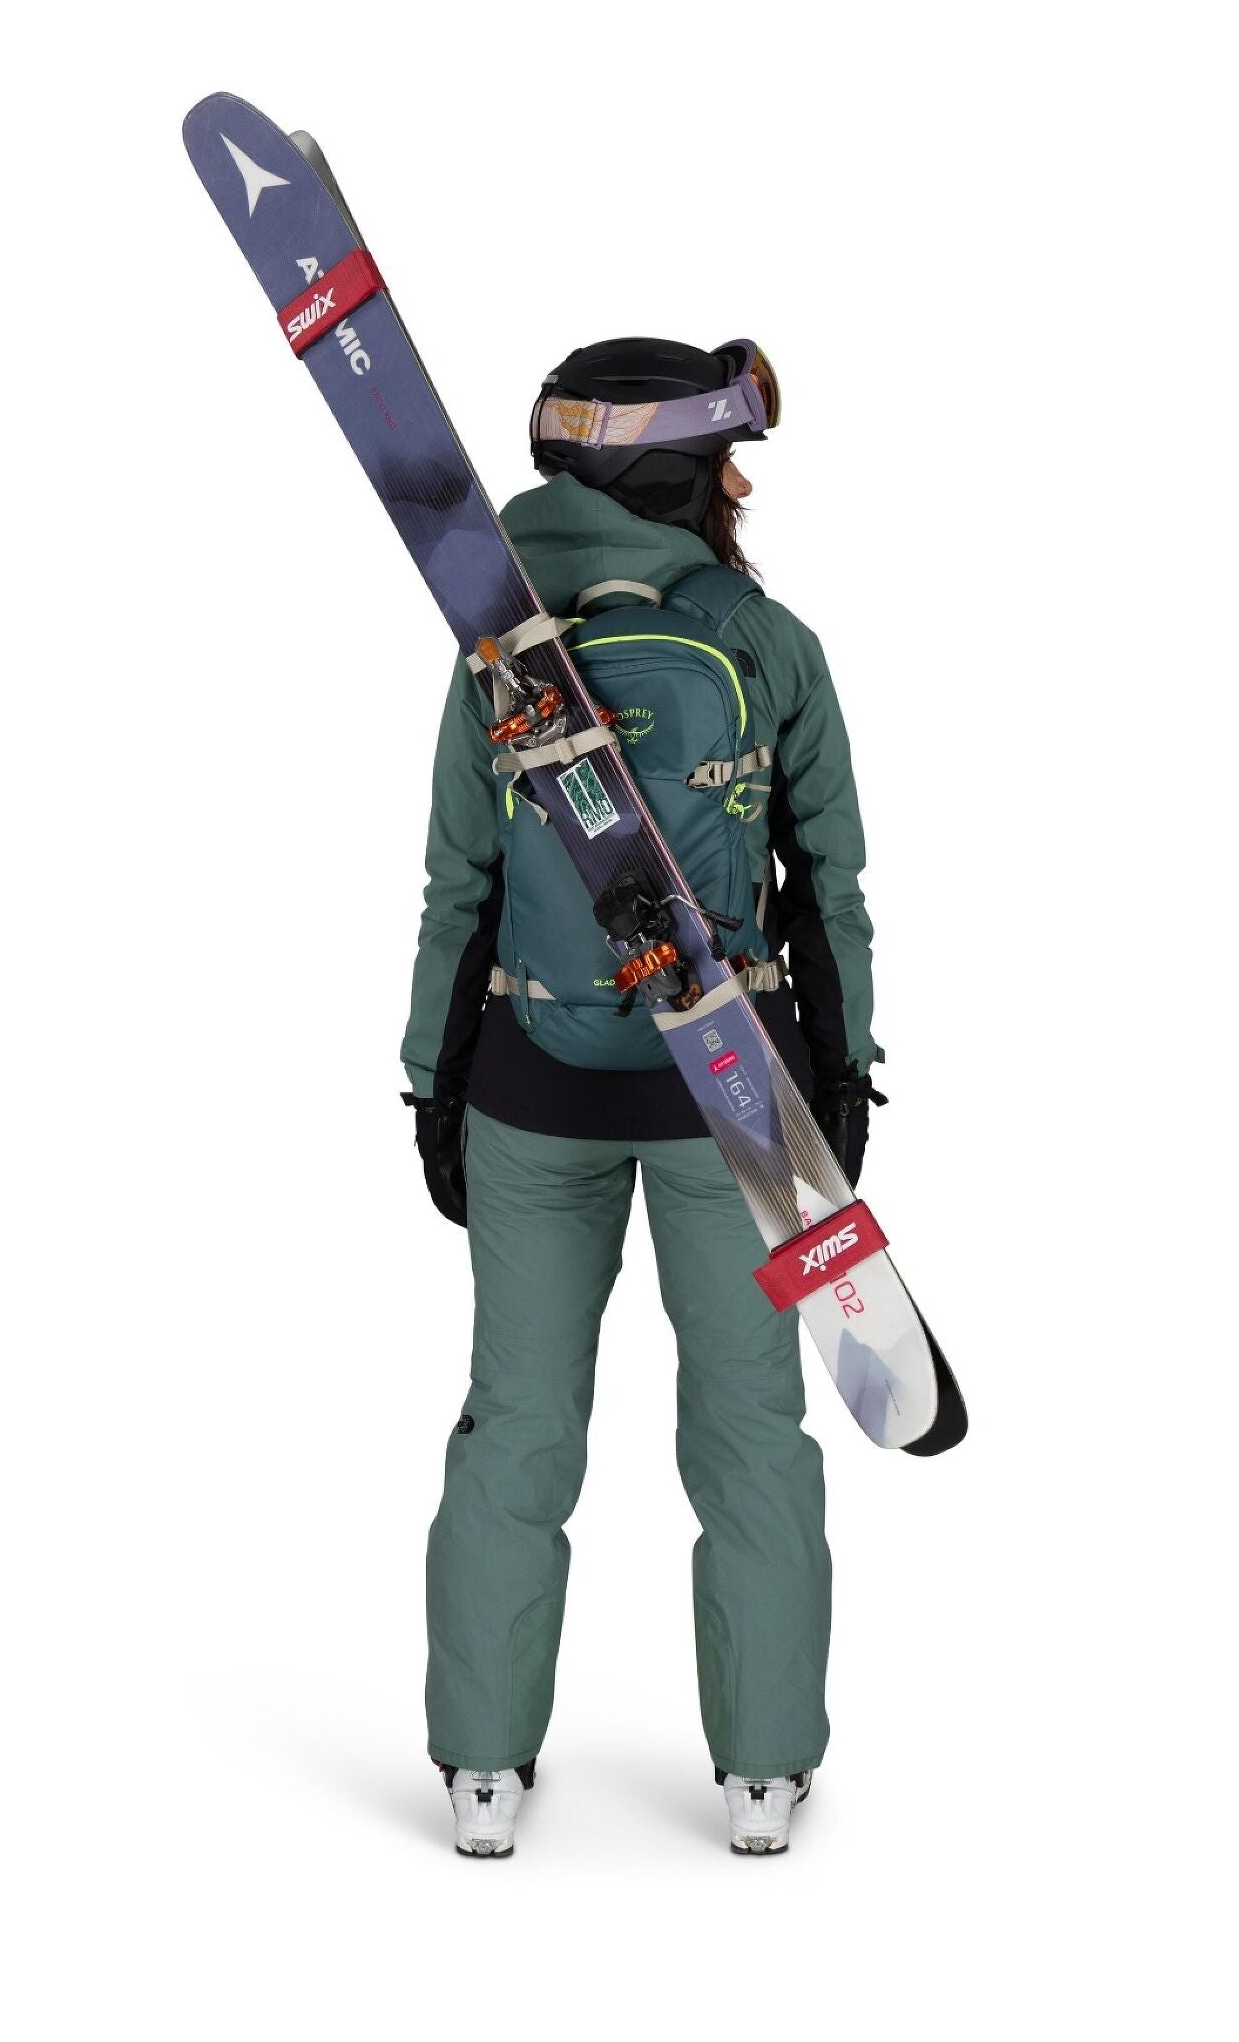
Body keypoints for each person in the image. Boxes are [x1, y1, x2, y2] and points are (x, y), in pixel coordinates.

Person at [400, 339, 885, 1858]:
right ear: (669, 473)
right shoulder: (769, 641)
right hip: (730, 1096)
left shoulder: (494, 647)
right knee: (751, 1431)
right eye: (723, 458)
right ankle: (762, 1773)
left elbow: (460, 885)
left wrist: (432, 1079)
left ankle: (484, 1770)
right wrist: (842, 1073)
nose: (739, 484)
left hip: (529, 1084)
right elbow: (829, 885)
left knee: (514, 1424)